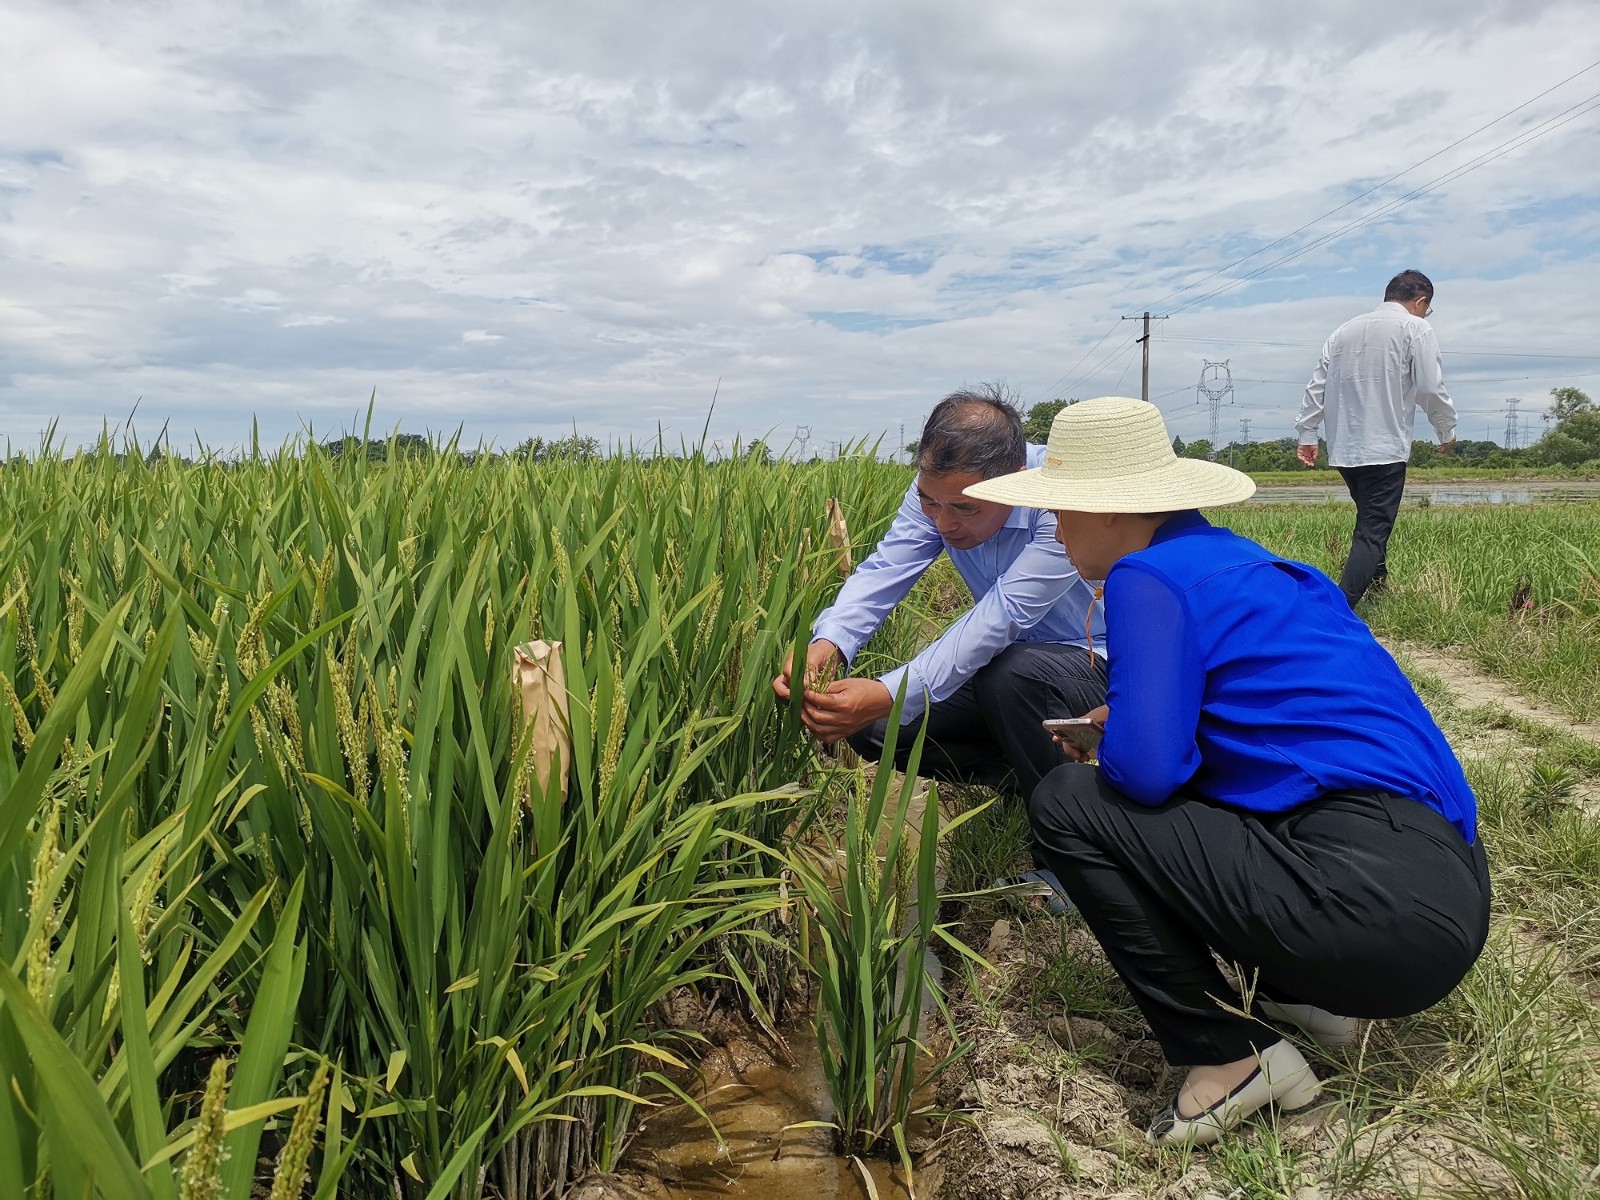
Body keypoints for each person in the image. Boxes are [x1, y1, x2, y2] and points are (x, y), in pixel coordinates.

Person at [965, 396, 1490, 1147]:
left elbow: (1144, 778)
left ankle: (1228, 1055)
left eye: (1060, 510)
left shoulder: (1149, 576)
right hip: (1442, 893)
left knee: (1068, 800)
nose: (1053, 527)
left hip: (1373, 913)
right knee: (1179, 792)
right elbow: (1283, 736)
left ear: (1110, 511)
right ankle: (1299, 996)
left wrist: (1110, 749)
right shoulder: (1260, 567)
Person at [772, 384, 1106, 808]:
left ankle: (1070, 825)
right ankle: (1024, 778)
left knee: (1014, 673)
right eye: (931, 503)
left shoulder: (1058, 497)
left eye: (966, 509)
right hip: (1008, 667)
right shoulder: (938, 492)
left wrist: (890, 692)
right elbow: (887, 568)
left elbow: (1004, 615)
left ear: (1017, 485)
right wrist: (830, 642)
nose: (944, 523)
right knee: (873, 726)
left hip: (1093, 660)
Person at [1294, 269, 1458, 607]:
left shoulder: (1342, 331)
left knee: (1370, 520)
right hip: (1384, 448)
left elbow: (1316, 387)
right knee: (1371, 532)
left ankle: (1378, 588)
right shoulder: (1416, 327)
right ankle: (1338, 613)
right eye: (1427, 308)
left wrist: (1307, 432)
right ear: (1421, 301)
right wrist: (1446, 429)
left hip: (1344, 449)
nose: (1426, 314)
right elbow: (1429, 387)